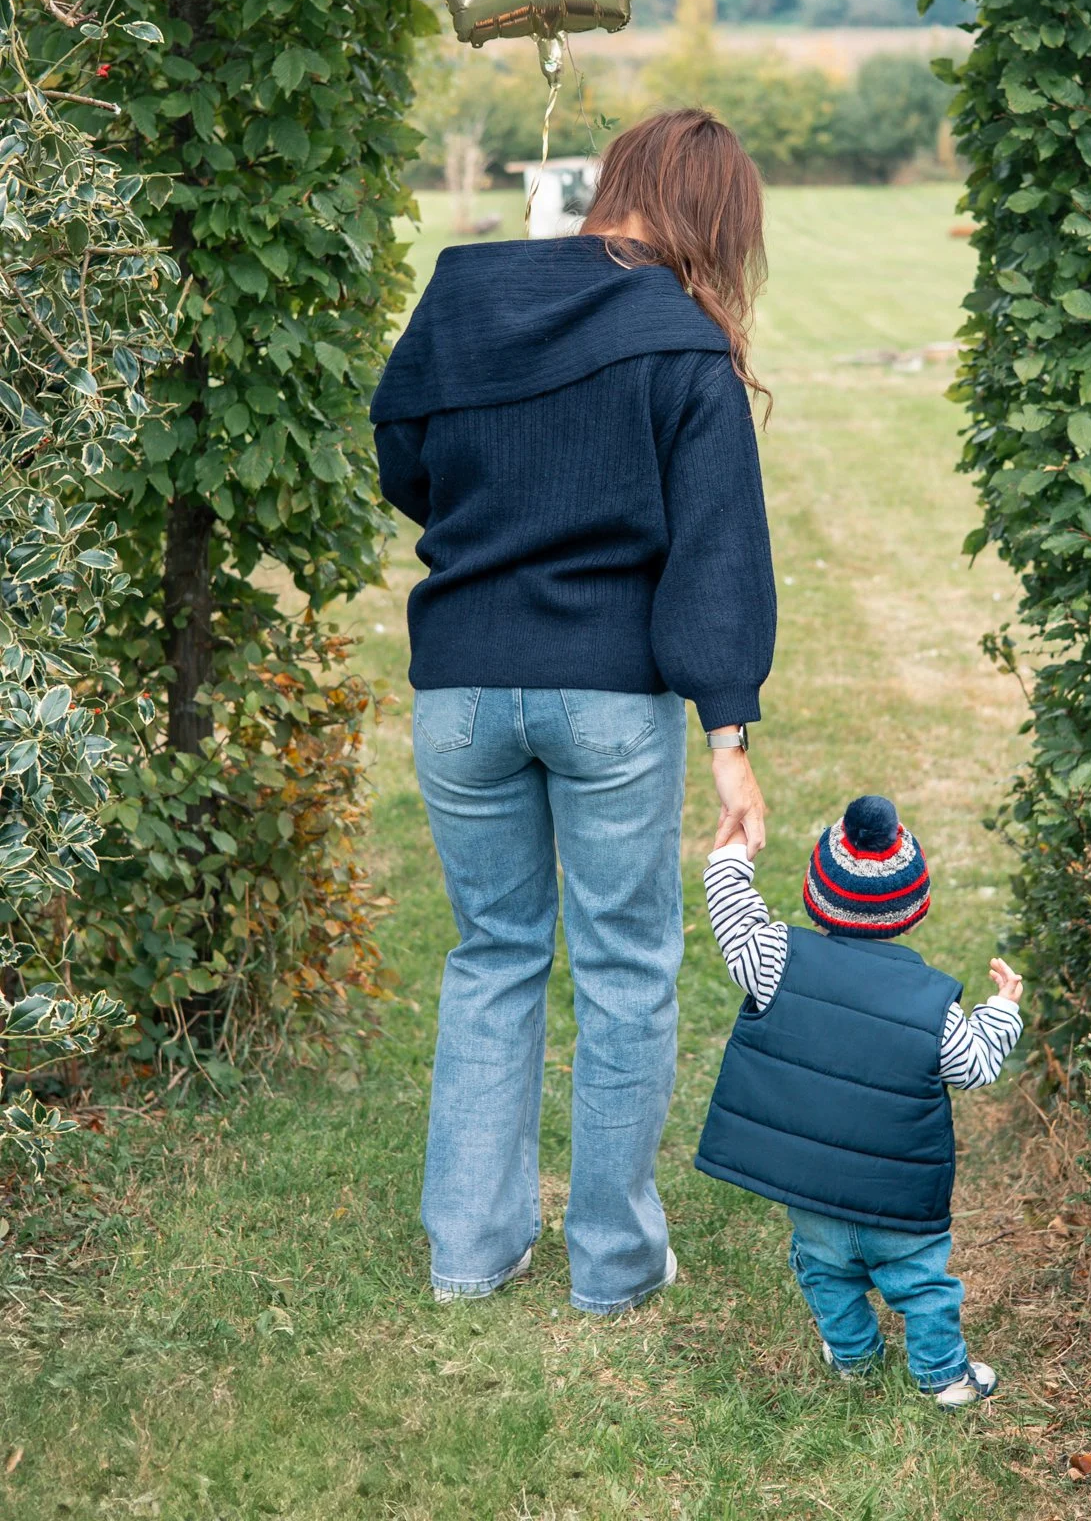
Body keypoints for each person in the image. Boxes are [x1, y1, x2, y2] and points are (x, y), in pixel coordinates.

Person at [370, 109, 776, 1316]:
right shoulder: (683, 341)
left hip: (458, 691)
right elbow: (717, 556)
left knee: (492, 955)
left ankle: (469, 1255)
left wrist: (490, 516)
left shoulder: (461, 293)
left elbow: (402, 451)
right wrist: (731, 742)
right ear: (712, 214)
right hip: (608, 697)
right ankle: (612, 1263)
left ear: (617, 183)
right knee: (625, 973)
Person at [695, 793, 1023, 1403]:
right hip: (899, 1204)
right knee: (922, 1287)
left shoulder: (776, 960)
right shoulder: (933, 1008)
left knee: (823, 1270)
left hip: (813, 1191)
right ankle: (943, 1377)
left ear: (816, 895)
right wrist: (1001, 1011)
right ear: (914, 911)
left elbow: (735, 922)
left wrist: (732, 856)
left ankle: (853, 1357)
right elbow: (975, 1065)